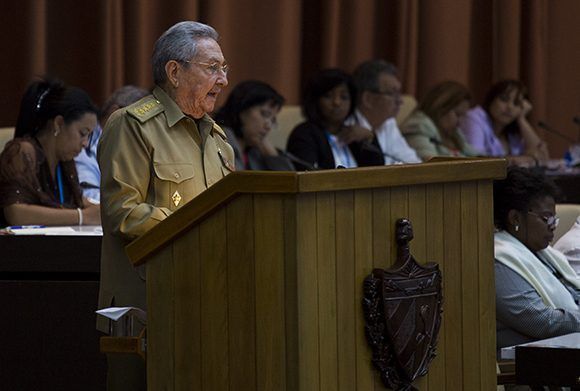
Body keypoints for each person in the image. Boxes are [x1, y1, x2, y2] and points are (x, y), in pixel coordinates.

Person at [96, 21, 234, 389]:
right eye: (212, 68)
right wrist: (198, 230)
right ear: (174, 71)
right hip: (147, 312)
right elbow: (123, 212)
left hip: (208, 307)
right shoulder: (132, 126)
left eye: (224, 69)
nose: (222, 80)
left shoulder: (220, 142)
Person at [493, 166, 580, 350]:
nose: (553, 226)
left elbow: (574, 295)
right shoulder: (498, 259)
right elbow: (542, 322)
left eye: (554, 220)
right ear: (515, 218)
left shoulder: (543, 253)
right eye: (546, 219)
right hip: (534, 365)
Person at [0, 78, 101, 227]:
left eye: (89, 136)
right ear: (58, 123)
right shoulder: (22, 151)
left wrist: (98, 210)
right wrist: (82, 216)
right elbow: (16, 213)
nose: (85, 143)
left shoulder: (65, 162)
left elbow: (75, 202)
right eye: (82, 133)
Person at [286, 68, 384, 170]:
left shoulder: (355, 135)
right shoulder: (305, 135)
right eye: (328, 96)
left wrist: (369, 138)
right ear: (315, 100)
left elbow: (379, 174)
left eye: (344, 97)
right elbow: (307, 176)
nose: (337, 102)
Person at [75, 85, 149, 202]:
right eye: (140, 122)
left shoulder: (130, 149)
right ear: (115, 113)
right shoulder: (83, 144)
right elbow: (89, 196)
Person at [344, 59, 422, 165]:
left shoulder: (388, 123)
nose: (400, 101)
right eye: (392, 93)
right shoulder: (347, 125)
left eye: (399, 93)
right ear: (368, 99)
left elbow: (413, 162)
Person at [459, 80, 549, 165]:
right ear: (491, 99)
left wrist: (522, 119)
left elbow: (542, 157)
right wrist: (521, 159)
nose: (509, 107)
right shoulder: (474, 118)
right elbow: (476, 160)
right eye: (504, 99)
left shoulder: (512, 131)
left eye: (516, 103)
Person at [214, 80, 294, 170]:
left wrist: (270, 153)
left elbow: (289, 181)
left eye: (272, 120)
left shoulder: (254, 151)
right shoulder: (219, 140)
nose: (268, 126)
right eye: (265, 114)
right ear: (242, 108)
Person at [401, 81, 479, 160]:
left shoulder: (453, 133)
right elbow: (431, 164)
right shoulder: (419, 126)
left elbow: (476, 155)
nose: (460, 122)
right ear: (441, 107)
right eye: (457, 114)